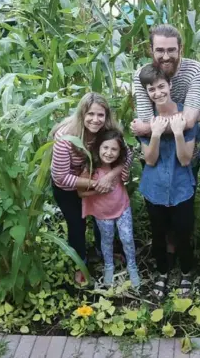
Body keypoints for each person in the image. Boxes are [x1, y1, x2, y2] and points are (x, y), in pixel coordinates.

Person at [51, 92, 132, 284]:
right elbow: (60, 177)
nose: (95, 120)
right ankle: (81, 264)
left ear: (106, 116)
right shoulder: (65, 138)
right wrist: (96, 184)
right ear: (82, 114)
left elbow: (127, 155)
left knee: (101, 219)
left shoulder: (108, 131)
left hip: (99, 182)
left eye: (100, 115)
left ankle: (103, 252)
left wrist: (111, 176)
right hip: (69, 189)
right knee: (77, 226)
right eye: (90, 114)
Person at [137, 64, 198, 298]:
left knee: (184, 233)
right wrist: (153, 133)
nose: (158, 93)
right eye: (151, 89)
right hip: (154, 189)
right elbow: (150, 160)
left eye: (161, 86)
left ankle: (185, 272)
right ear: (147, 93)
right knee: (158, 233)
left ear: (170, 85)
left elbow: (185, 159)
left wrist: (179, 132)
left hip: (182, 188)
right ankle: (162, 273)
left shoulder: (187, 116)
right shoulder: (145, 120)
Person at [78, 128, 140, 288]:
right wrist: (96, 189)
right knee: (107, 240)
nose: (109, 152)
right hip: (102, 212)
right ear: (98, 147)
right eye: (105, 148)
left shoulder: (118, 166)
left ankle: (132, 266)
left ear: (119, 152)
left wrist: (124, 176)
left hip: (122, 206)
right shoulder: (90, 167)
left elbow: (126, 170)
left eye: (114, 149)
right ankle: (109, 266)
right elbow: (80, 193)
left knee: (127, 238)